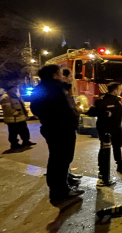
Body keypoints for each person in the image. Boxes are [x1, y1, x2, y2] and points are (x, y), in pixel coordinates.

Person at [30, 64, 84, 204]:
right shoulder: (54, 89)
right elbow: (60, 109)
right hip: (60, 129)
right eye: (60, 72)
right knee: (60, 160)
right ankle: (60, 191)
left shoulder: (46, 88)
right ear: (54, 75)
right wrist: (63, 120)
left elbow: (36, 108)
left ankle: (62, 185)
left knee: (59, 159)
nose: (62, 74)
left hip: (57, 128)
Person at [86, 83, 122, 179]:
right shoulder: (102, 101)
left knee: (117, 147)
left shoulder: (117, 100)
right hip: (105, 128)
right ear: (115, 90)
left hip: (116, 128)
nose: (121, 90)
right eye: (119, 89)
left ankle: (120, 166)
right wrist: (106, 113)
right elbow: (91, 112)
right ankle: (102, 170)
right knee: (104, 148)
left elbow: (120, 112)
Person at [1, 85, 36, 150]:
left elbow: (21, 105)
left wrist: (25, 112)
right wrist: (16, 113)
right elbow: (7, 109)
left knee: (24, 130)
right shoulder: (6, 97)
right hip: (13, 119)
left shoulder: (16, 95)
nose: (15, 89)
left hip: (21, 117)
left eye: (16, 88)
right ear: (9, 90)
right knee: (13, 132)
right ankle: (14, 144)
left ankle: (26, 141)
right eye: (14, 88)